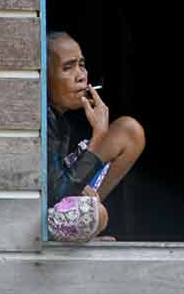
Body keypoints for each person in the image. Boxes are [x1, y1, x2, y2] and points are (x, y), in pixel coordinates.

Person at [46, 31, 145, 242]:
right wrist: (98, 134)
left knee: (129, 131)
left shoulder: (59, 118)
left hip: (61, 192)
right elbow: (55, 195)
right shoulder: (40, 119)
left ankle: (82, 218)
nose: (81, 75)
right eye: (67, 67)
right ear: (44, 77)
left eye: (81, 64)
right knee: (99, 215)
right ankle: (74, 227)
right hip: (42, 216)